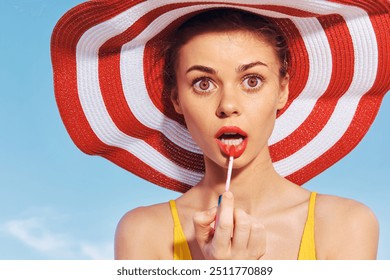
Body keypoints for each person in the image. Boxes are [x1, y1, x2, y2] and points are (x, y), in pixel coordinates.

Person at [51, 1, 389, 259]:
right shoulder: (144, 233)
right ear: (177, 100)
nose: (228, 104)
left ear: (283, 90)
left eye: (252, 81)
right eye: (203, 83)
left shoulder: (347, 225)